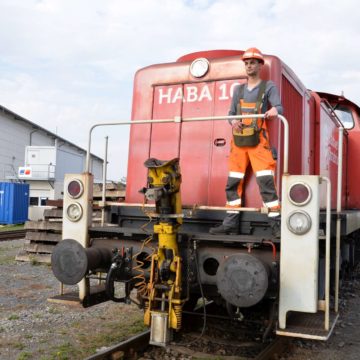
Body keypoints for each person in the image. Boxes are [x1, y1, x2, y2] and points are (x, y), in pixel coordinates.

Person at [209, 47, 283, 235]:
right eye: (247, 63)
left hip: (259, 143)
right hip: (239, 144)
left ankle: (276, 225)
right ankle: (230, 223)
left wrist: (275, 111)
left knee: (266, 183)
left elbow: (279, 107)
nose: (249, 66)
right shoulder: (238, 89)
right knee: (233, 182)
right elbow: (230, 114)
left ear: (260, 65)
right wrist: (233, 121)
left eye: (253, 63)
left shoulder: (269, 87)